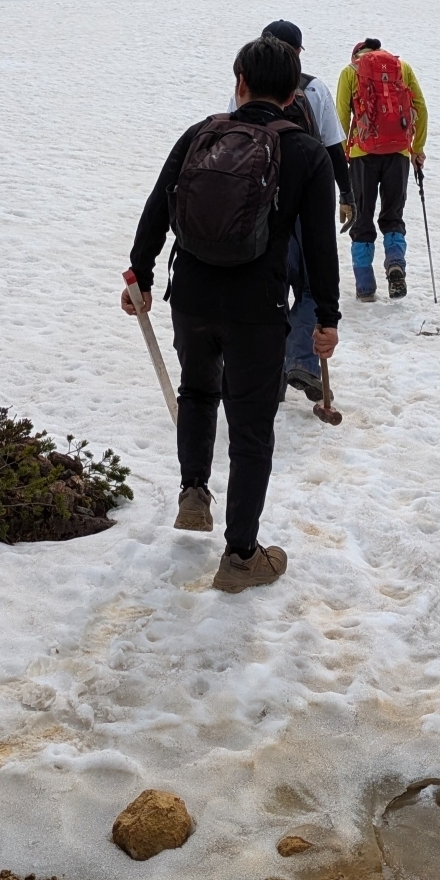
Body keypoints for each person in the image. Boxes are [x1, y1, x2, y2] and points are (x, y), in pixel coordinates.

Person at [123, 36, 340, 591]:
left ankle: (194, 492)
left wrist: (140, 275)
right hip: (258, 308)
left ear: (239, 80)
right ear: (293, 94)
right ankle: (241, 555)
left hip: (191, 295)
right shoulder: (306, 152)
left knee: (197, 392)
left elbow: (157, 207)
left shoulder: (202, 133)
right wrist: (327, 318)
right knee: (250, 427)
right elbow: (320, 246)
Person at [230, 20, 353, 405]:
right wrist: (347, 193)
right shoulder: (313, 88)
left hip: (261, 207)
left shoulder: (244, 87)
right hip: (307, 202)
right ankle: (301, 359)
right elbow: (332, 146)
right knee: (312, 286)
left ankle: (270, 373)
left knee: (272, 288)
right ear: (298, 52)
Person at [335, 38, 428, 301]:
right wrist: (417, 148)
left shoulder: (349, 72)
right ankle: (395, 262)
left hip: (362, 155)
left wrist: (342, 155)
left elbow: (341, 117)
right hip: (398, 153)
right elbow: (421, 107)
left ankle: (365, 286)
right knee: (393, 215)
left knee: (361, 217)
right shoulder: (402, 68)